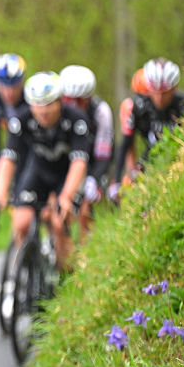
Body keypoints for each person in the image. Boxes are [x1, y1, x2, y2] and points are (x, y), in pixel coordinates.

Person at [0, 71, 90, 273]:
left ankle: (66, 279)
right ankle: (24, 276)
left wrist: (66, 197)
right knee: (21, 221)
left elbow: (79, 163)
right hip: (38, 173)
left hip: (66, 176)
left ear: (59, 102)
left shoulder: (77, 120)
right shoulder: (21, 120)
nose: (43, 111)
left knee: (59, 223)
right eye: (37, 105)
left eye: (49, 104)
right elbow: (8, 158)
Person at [109, 57, 184, 201]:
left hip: (180, 154)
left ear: (174, 88)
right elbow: (125, 144)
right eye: (154, 92)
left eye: (165, 93)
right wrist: (116, 181)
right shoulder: (138, 107)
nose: (159, 98)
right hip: (151, 157)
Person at [58, 64, 113, 240]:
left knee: (84, 211)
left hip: (92, 164)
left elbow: (104, 153)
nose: (74, 106)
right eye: (68, 100)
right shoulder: (56, 110)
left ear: (89, 98)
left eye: (80, 101)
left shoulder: (101, 112)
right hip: (67, 162)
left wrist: (94, 179)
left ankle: (85, 255)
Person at [0, 53, 30, 213]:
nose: (9, 92)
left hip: (31, 152)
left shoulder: (31, 101)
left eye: (14, 86)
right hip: (10, 154)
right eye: (4, 86)